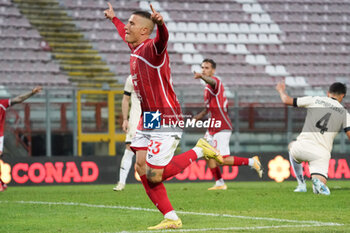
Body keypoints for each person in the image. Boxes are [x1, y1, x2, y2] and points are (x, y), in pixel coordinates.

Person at [104, 3, 222, 229]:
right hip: (149, 118)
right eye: (127, 23)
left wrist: (162, 25)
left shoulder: (151, 49)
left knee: (154, 176)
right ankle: (171, 218)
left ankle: (200, 149)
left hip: (166, 116)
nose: (126, 27)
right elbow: (124, 34)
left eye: (131, 23)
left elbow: (162, 42)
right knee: (140, 169)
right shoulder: (136, 48)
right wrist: (114, 19)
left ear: (144, 31)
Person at [193, 59, 263, 190]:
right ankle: (220, 183)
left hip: (222, 125)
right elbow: (208, 108)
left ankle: (253, 162)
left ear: (213, 70)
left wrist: (201, 76)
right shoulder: (207, 88)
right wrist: (199, 116)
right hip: (212, 127)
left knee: (222, 159)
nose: (203, 70)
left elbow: (212, 81)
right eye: (202, 67)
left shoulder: (215, 82)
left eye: (207, 68)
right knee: (207, 154)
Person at [276, 81, 350, 195]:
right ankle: (318, 183)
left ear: (328, 93)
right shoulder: (344, 113)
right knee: (318, 188)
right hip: (322, 153)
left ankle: (301, 184)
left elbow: (286, 100)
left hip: (303, 146)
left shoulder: (315, 100)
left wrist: (281, 90)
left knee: (292, 146)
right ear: (342, 96)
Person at [0, 86, 42, 191]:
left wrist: (31, 93)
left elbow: (18, 99)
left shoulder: (2, 104)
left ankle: (1, 184)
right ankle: (1, 183)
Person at [113, 75, 141, 191]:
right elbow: (125, 99)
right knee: (129, 148)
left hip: (152, 117)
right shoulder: (132, 78)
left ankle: (152, 182)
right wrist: (125, 119)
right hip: (135, 117)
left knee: (152, 150)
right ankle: (121, 182)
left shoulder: (154, 73)